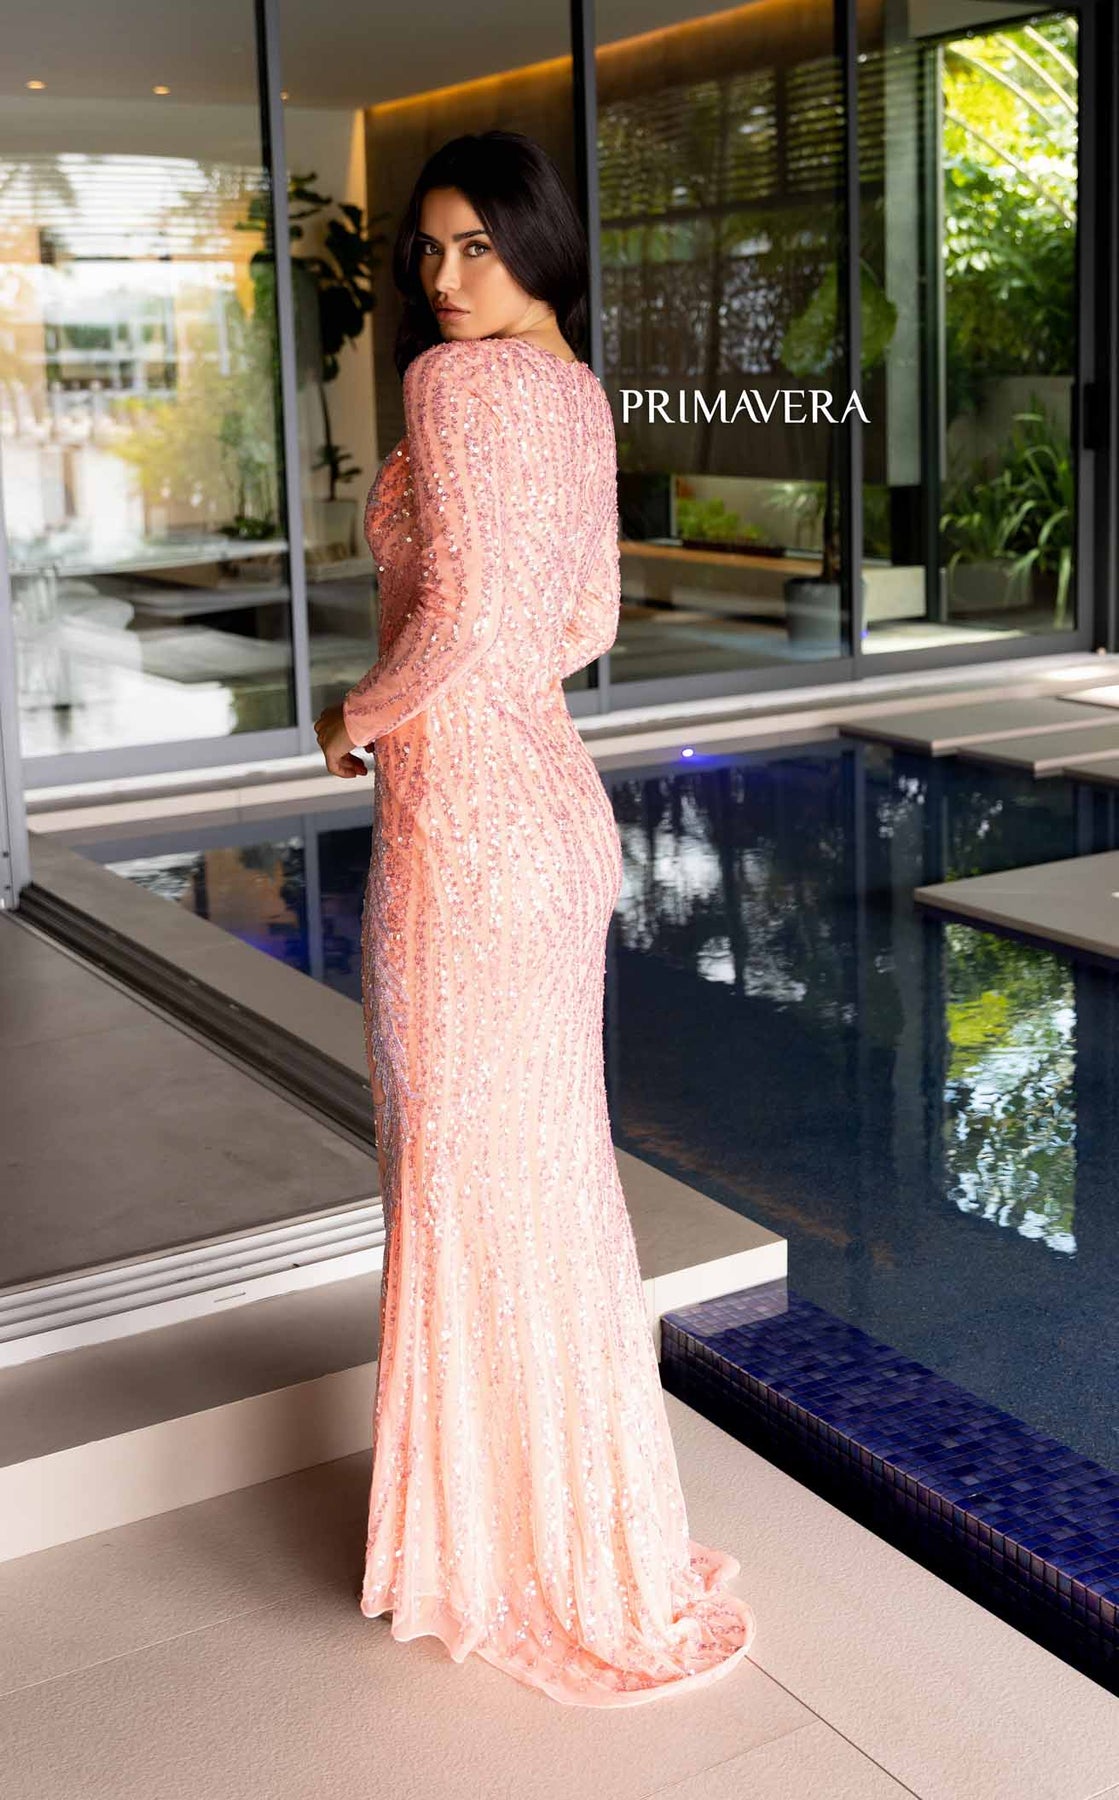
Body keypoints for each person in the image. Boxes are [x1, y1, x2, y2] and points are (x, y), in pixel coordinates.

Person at [313, 129, 756, 1706]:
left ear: (534, 242)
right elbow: (583, 621)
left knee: (455, 1181)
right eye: (426, 251)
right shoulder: (579, 398)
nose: (443, 279)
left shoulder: (452, 389)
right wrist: (468, 683)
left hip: (465, 838)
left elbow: (463, 621)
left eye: (474, 247)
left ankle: (490, 1550)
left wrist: (356, 715)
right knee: (548, 1185)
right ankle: (578, 1531)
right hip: (554, 823)